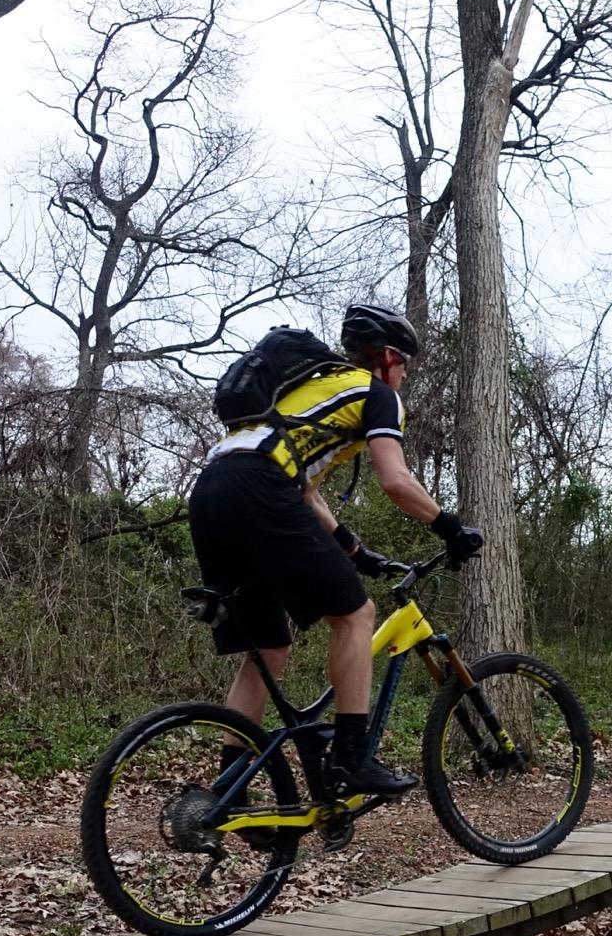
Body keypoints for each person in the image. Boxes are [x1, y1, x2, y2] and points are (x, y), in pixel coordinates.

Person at [187, 303, 483, 796]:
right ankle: (350, 758)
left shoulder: (306, 390)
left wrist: (353, 549)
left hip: (213, 490)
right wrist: (450, 527)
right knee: (356, 616)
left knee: (269, 647)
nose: (405, 376)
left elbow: (304, 491)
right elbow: (395, 480)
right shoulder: (376, 394)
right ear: (387, 358)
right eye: (405, 365)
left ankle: (226, 788)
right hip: (261, 489)